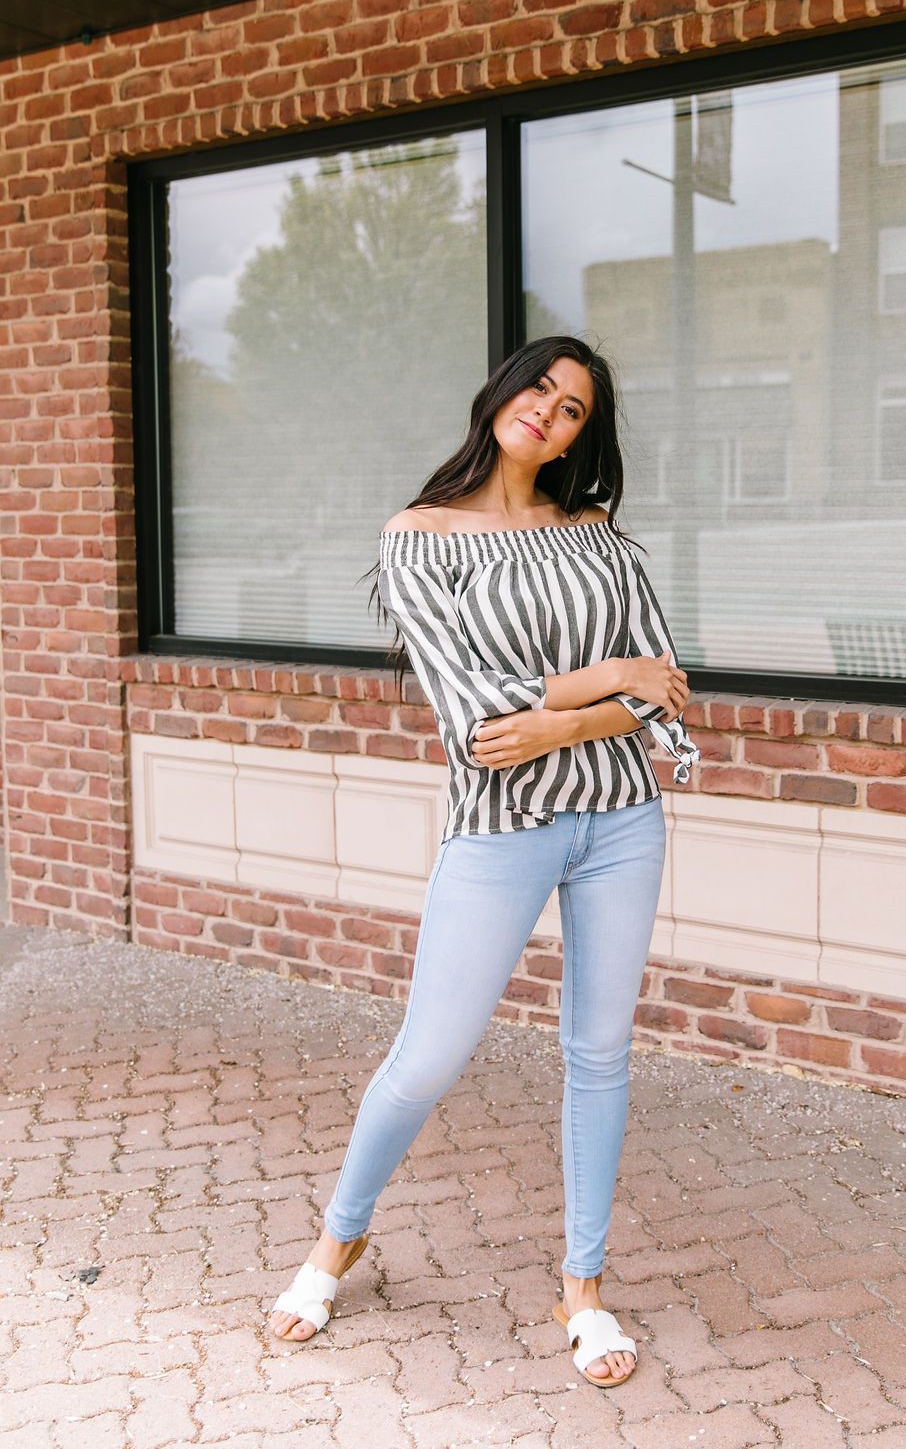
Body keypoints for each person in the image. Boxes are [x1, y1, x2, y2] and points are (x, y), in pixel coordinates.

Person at [268, 336, 700, 1387]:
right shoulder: (420, 538)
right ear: (503, 393)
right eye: (539, 390)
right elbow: (475, 713)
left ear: (577, 440)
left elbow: (667, 687)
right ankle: (339, 1241)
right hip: (501, 830)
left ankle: (583, 1288)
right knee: (427, 1056)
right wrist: (601, 688)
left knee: (598, 1056)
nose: (548, 414)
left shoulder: (599, 537)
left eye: (573, 410)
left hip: (623, 822)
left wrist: (571, 705)